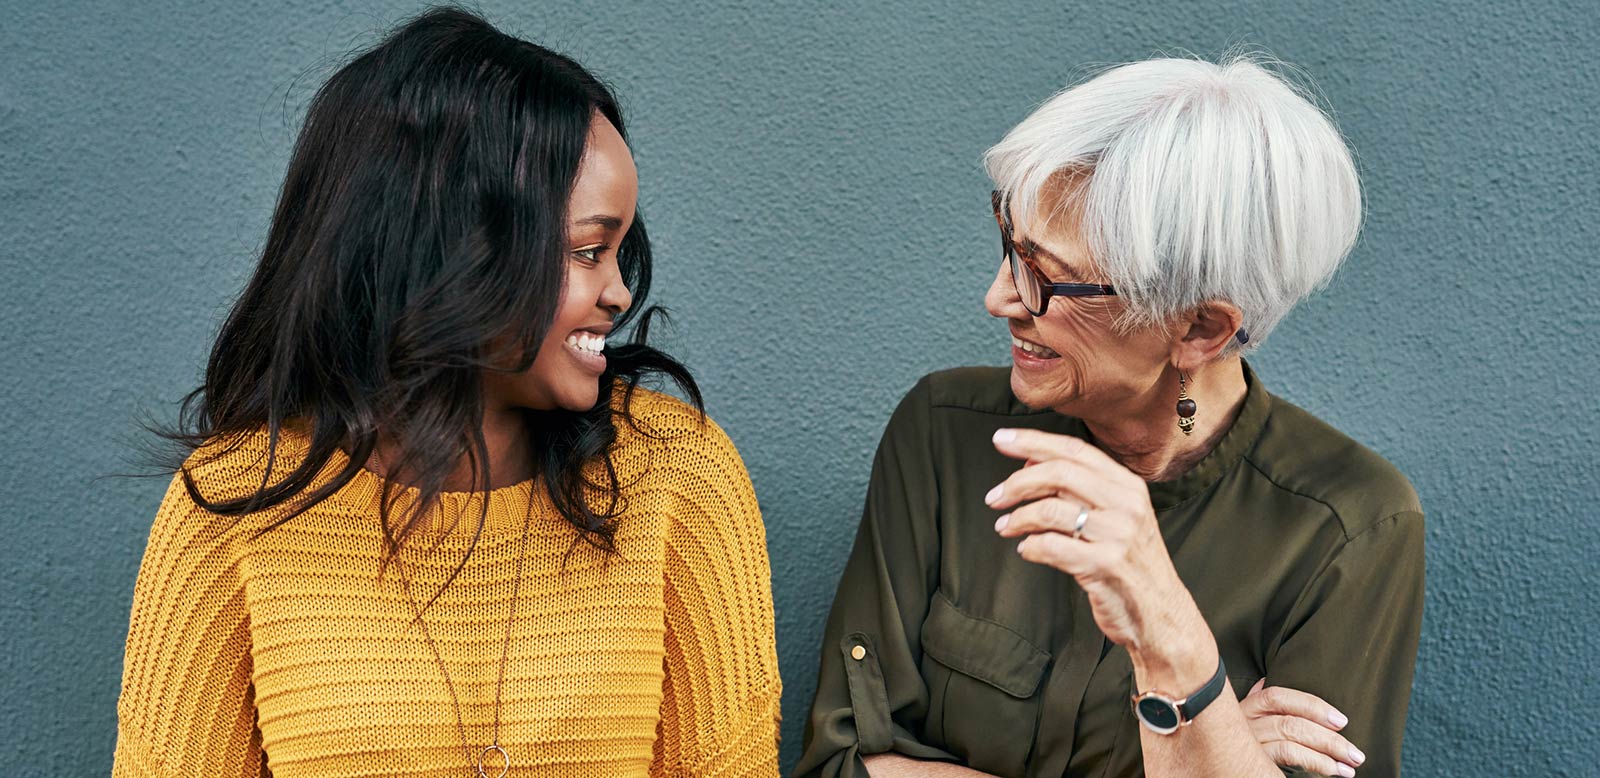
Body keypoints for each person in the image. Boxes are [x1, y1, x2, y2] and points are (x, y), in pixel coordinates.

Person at [113, 8, 780, 776]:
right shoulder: (233, 506)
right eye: (589, 251)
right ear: (449, 249)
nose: (620, 292)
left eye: (620, 251)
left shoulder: (676, 475)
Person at [796, 55, 1423, 778]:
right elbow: (841, 765)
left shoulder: (1347, 529)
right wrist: (1208, 737)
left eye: (1046, 278)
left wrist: (1172, 635)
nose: (1000, 297)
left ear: (1199, 331)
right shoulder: (945, 433)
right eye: (1009, 244)